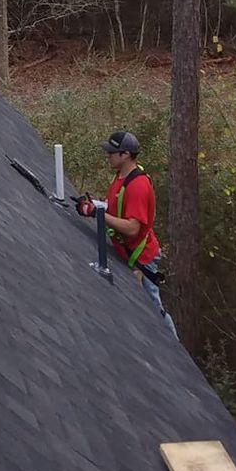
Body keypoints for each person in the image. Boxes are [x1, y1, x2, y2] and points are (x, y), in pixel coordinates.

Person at [77, 131, 176, 337]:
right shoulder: (121, 178)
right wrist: (93, 206)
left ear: (125, 155)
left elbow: (132, 228)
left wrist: (98, 213)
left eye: (112, 153)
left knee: (155, 311)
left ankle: (174, 348)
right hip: (128, 254)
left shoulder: (138, 185)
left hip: (141, 259)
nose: (108, 156)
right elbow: (115, 208)